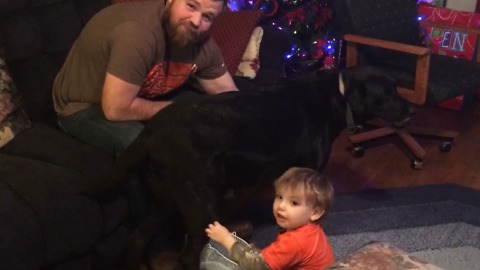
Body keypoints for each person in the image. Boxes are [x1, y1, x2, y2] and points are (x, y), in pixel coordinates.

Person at [52, 0, 237, 158]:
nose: (196, 22)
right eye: (191, 5)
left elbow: (229, 97)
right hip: (84, 107)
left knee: (212, 117)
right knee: (145, 145)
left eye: (207, 17)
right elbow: (115, 109)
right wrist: (180, 111)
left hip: (144, 96)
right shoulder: (139, 33)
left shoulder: (202, 44)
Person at [204, 167, 335, 269]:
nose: (281, 206)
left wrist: (226, 239)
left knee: (212, 262)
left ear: (315, 213)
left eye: (294, 203)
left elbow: (257, 266)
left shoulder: (296, 241)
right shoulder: (310, 230)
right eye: (279, 197)